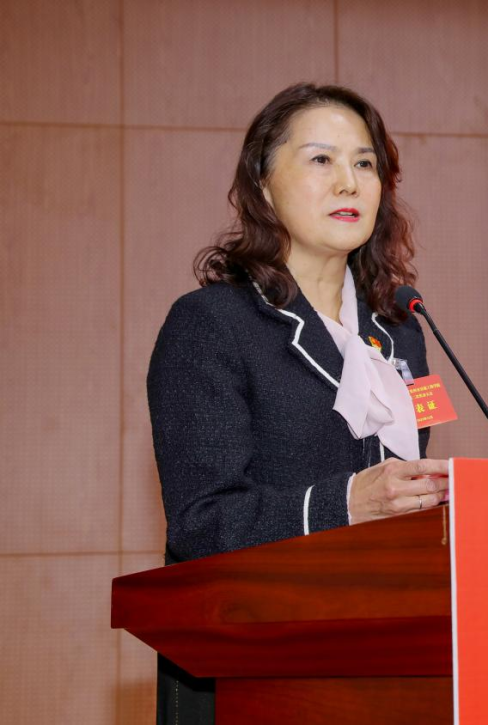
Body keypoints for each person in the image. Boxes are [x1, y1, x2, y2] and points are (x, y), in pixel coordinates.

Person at [147, 83, 449, 724]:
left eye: (364, 163)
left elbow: (409, 485)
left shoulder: (401, 331)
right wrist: (348, 503)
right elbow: (201, 523)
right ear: (262, 186)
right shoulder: (212, 324)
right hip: (256, 661)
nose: (349, 182)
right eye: (321, 160)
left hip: (390, 651)